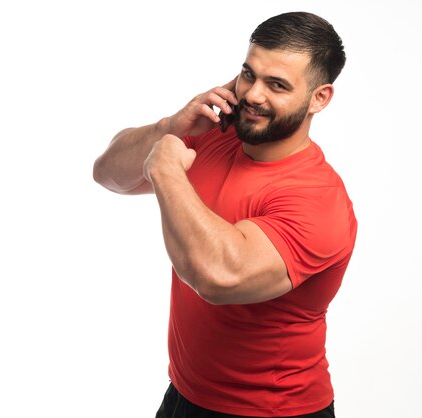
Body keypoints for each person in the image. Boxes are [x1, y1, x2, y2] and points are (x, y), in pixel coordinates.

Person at [93, 11, 357, 418]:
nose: (252, 95)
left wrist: (164, 166)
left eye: (277, 85)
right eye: (248, 74)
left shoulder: (317, 198)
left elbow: (217, 275)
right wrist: (170, 125)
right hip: (184, 395)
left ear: (319, 98)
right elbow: (107, 173)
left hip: (273, 411)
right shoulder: (215, 139)